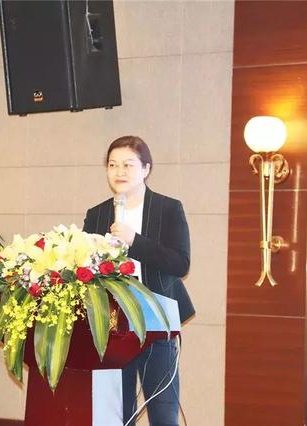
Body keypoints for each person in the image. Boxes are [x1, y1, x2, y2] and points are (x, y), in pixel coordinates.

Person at [83, 136, 195, 426]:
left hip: (155, 318)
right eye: (112, 165)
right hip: (111, 324)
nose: (119, 172)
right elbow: (84, 266)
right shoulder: (97, 214)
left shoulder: (168, 208)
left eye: (128, 165)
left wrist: (135, 240)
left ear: (146, 169)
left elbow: (180, 263)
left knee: (163, 413)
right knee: (115, 414)